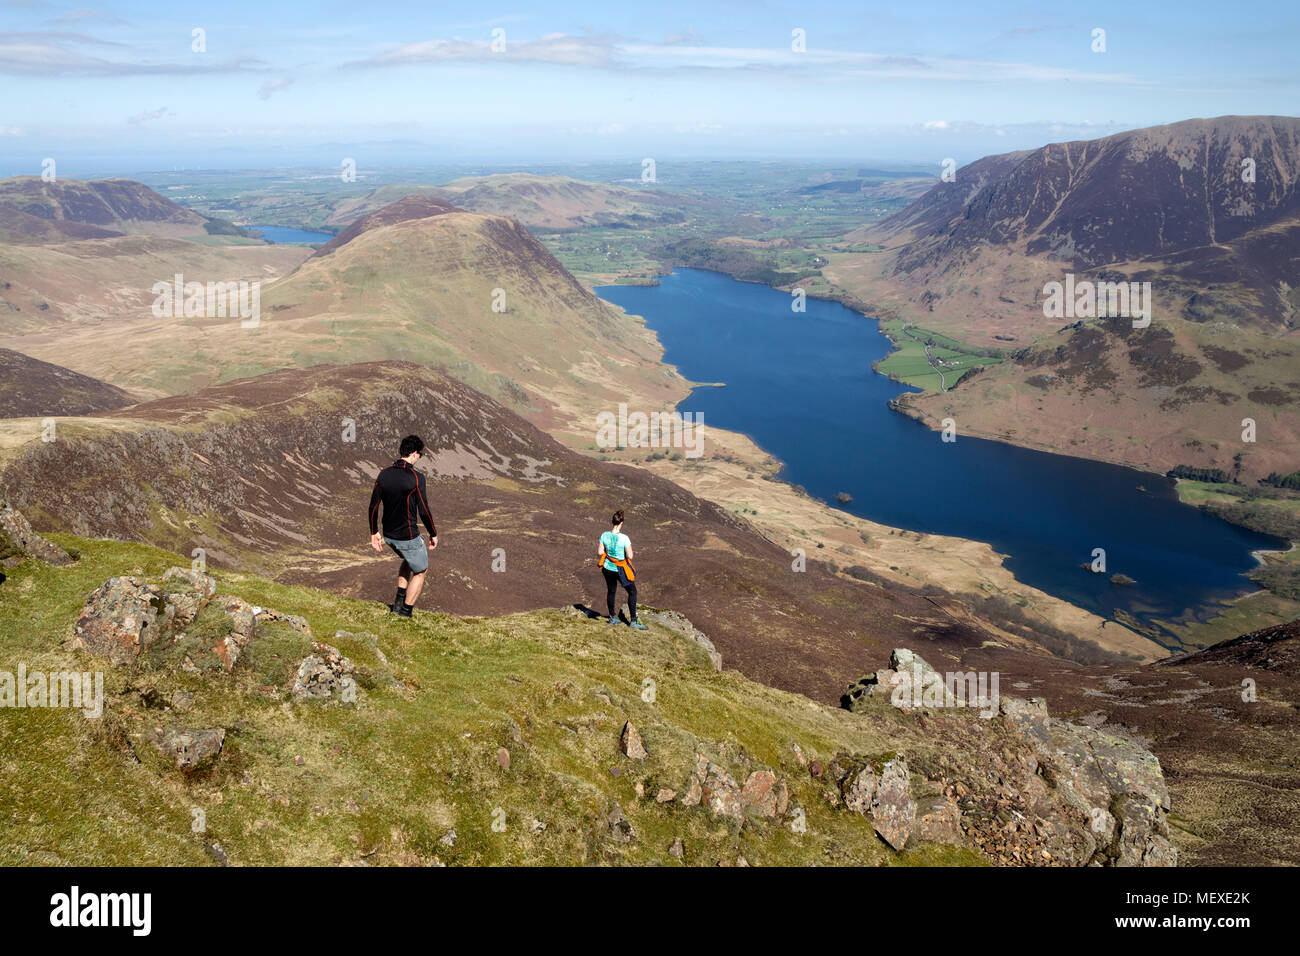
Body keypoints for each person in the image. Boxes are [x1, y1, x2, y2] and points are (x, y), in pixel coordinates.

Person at [368, 435, 438, 617]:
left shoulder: (384, 474)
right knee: (421, 570)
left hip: (389, 536)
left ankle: (398, 603)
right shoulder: (416, 477)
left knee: (408, 559)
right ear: (414, 453)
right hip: (407, 536)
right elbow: (424, 510)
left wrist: (374, 532)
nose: (419, 457)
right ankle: (405, 613)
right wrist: (433, 533)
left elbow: (373, 506)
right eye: (420, 454)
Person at [598, 509, 648, 630]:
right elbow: (630, 556)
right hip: (620, 569)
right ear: (621, 523)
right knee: (632, 592)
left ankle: (612, 617)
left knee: (611, 591)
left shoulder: (604, 535)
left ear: (612, 522)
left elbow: (600, 552)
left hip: (607, 567)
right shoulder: (624, 538)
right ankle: (633, 621)